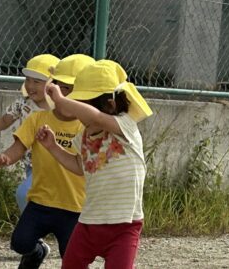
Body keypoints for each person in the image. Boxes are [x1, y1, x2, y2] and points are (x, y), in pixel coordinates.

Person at [36, 59, 153, 269]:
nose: (80, 116)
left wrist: (62, 101)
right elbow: (79, 166)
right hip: (89, 222)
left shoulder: (125, 127)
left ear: (110, 104)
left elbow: (96, 117)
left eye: (83, 106)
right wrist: (53, 147)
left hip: (124, 226)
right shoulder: (83, 136)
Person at [0, 54, 93, 269]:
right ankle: (36, 253)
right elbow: (19, 146)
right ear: (51, 89)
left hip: (74, 207)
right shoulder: (37, 119)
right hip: (40, 201)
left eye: (70, 89)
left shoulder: (87, 127)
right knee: (20, 242)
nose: (63, 95)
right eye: (59, 87)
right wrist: (6, 157)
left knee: (72, 259)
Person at [0, 54, 59, 212]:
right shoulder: (23, 104)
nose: (30, 86)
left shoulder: (59, 109)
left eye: (37, 81)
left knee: (24, 194)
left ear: (53, 84)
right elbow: (5, 120)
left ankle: (30, 228)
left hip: (52, 163)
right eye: (28, 80)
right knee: (37, 199)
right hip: (30, 162)